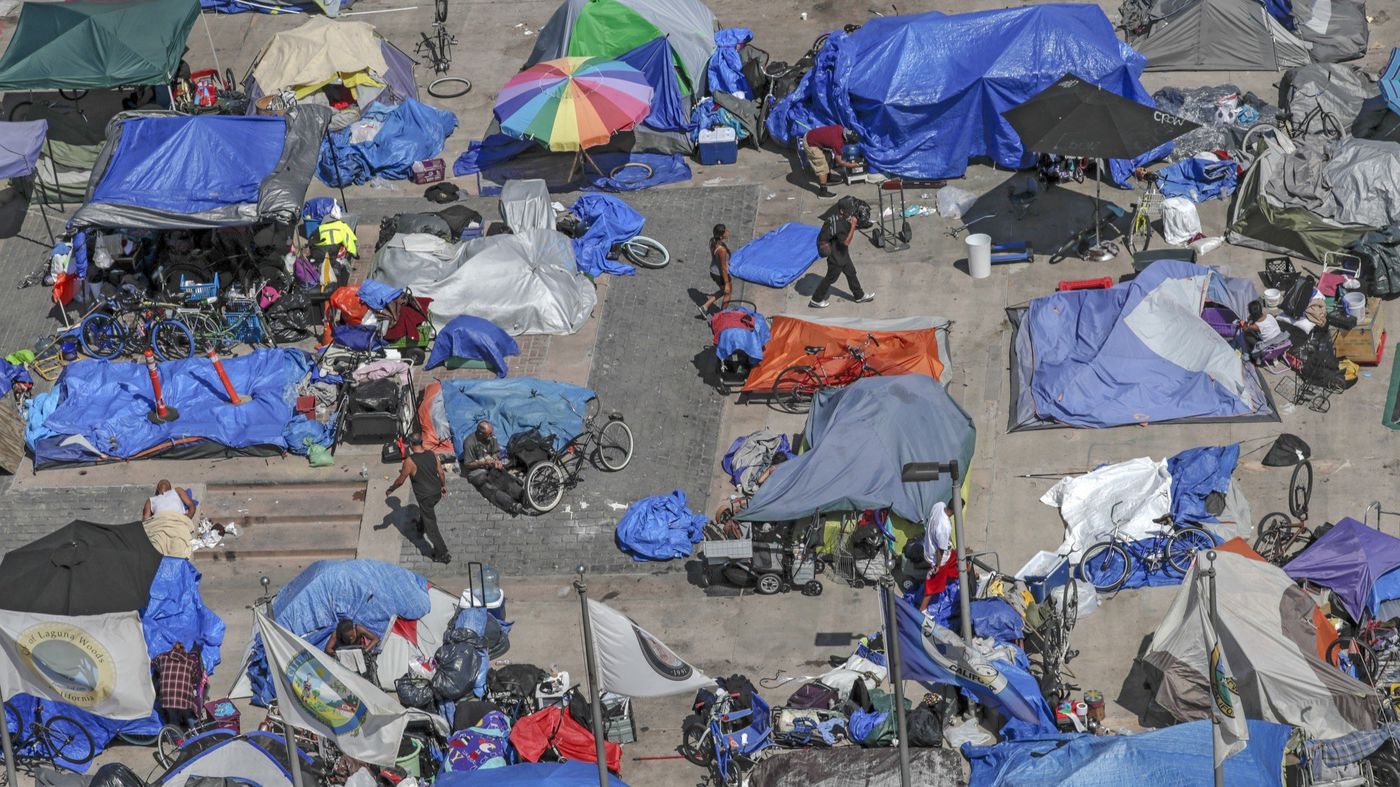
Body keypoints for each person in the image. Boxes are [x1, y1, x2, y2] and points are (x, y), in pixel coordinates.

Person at [387, 433, 452, 564]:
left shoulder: (410, 461)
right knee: (426, 513)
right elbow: (441, 472)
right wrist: (443, 485)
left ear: (410, 444)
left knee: (431, 526)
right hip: (436, 493)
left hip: (425, 497)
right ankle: (421, 527)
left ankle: (443, 553)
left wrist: (391, 489)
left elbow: (400, 480)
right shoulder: (432, 454)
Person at [810, 202, 873, 308]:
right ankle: (816, 299)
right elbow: (846, 242)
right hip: (837, 256)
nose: (851, 213)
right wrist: (853, 226)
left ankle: (859, 295)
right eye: (849, 211)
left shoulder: (837, 218)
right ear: (842, 211)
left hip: (842, 252)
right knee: (830, 278)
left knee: (851, 272)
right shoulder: (840, 225)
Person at [463, 421, 525, 515]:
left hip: (490, 466)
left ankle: (521, 494)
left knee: (503, 478)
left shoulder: (492, 436)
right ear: (481, 433)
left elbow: (496, 453)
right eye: (489, 434)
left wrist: (496, 460)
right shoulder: (469, 442)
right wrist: (482, 463)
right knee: (488, 487)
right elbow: (467, 464)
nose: (492, 435)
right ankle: (511, 505)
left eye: (492, 433)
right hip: (477, 471)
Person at [152, 642, 202, 728]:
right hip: (184, 696)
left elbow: (153, 663)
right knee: (189, 715)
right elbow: (195, 678)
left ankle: (178, 739)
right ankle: (197, 733)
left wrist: (163, 672)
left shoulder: (162, 657)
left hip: (168, 697)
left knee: (173, 719)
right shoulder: (190, 662)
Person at [804, 124, 860, 199]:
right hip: (810, 143)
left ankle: (828, 179)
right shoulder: (837, 142)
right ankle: (822, 192)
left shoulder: (840, 128)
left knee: (828, 157)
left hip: (813, 136)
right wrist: (851, 165)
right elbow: (840, 162)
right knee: (822, 166)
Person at [700, 224, 732, 315]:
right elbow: (723, 268)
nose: (728, 231)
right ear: (721, 236)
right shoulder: (722, 250)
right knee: (728, 292)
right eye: (726, 231)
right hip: (720, 274)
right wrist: (726, 283)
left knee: (723, 291)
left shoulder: (713, 241)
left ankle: (705, 307)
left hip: (713, 271)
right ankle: (722, 315)